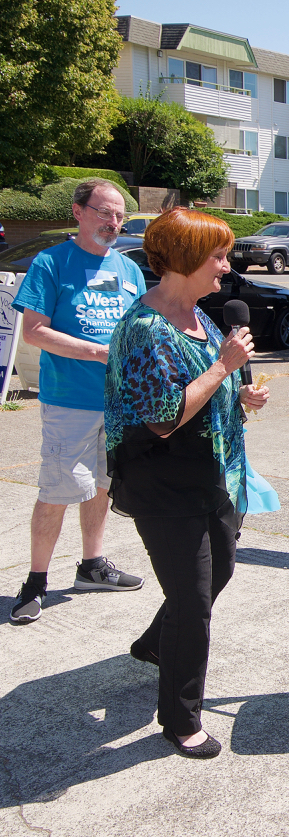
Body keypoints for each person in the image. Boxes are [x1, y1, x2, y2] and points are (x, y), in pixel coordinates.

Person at [104, 208, 270, 758]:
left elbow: (203, 391)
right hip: (163, 479)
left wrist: (238, 395)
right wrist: (224, 368)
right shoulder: (146, 328)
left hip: (212, 472)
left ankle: (156, 643)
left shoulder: (198, 315)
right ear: (182, 259)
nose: (226, 266)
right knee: (194, 601)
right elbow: (164, 415)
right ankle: (179, 718)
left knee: (217, 571)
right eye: (217, 256)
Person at [9, 179, 147, 624]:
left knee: (102, 486)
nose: (114, 222)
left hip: (119, 402)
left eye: (120, 215)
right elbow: (33, 331)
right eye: (105, 212)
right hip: (70, 399)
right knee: (57, 491)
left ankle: (92, 565)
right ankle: (35, 581)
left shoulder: (129, 270)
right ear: (79, 212)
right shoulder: (52, 263)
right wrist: (97, 352)